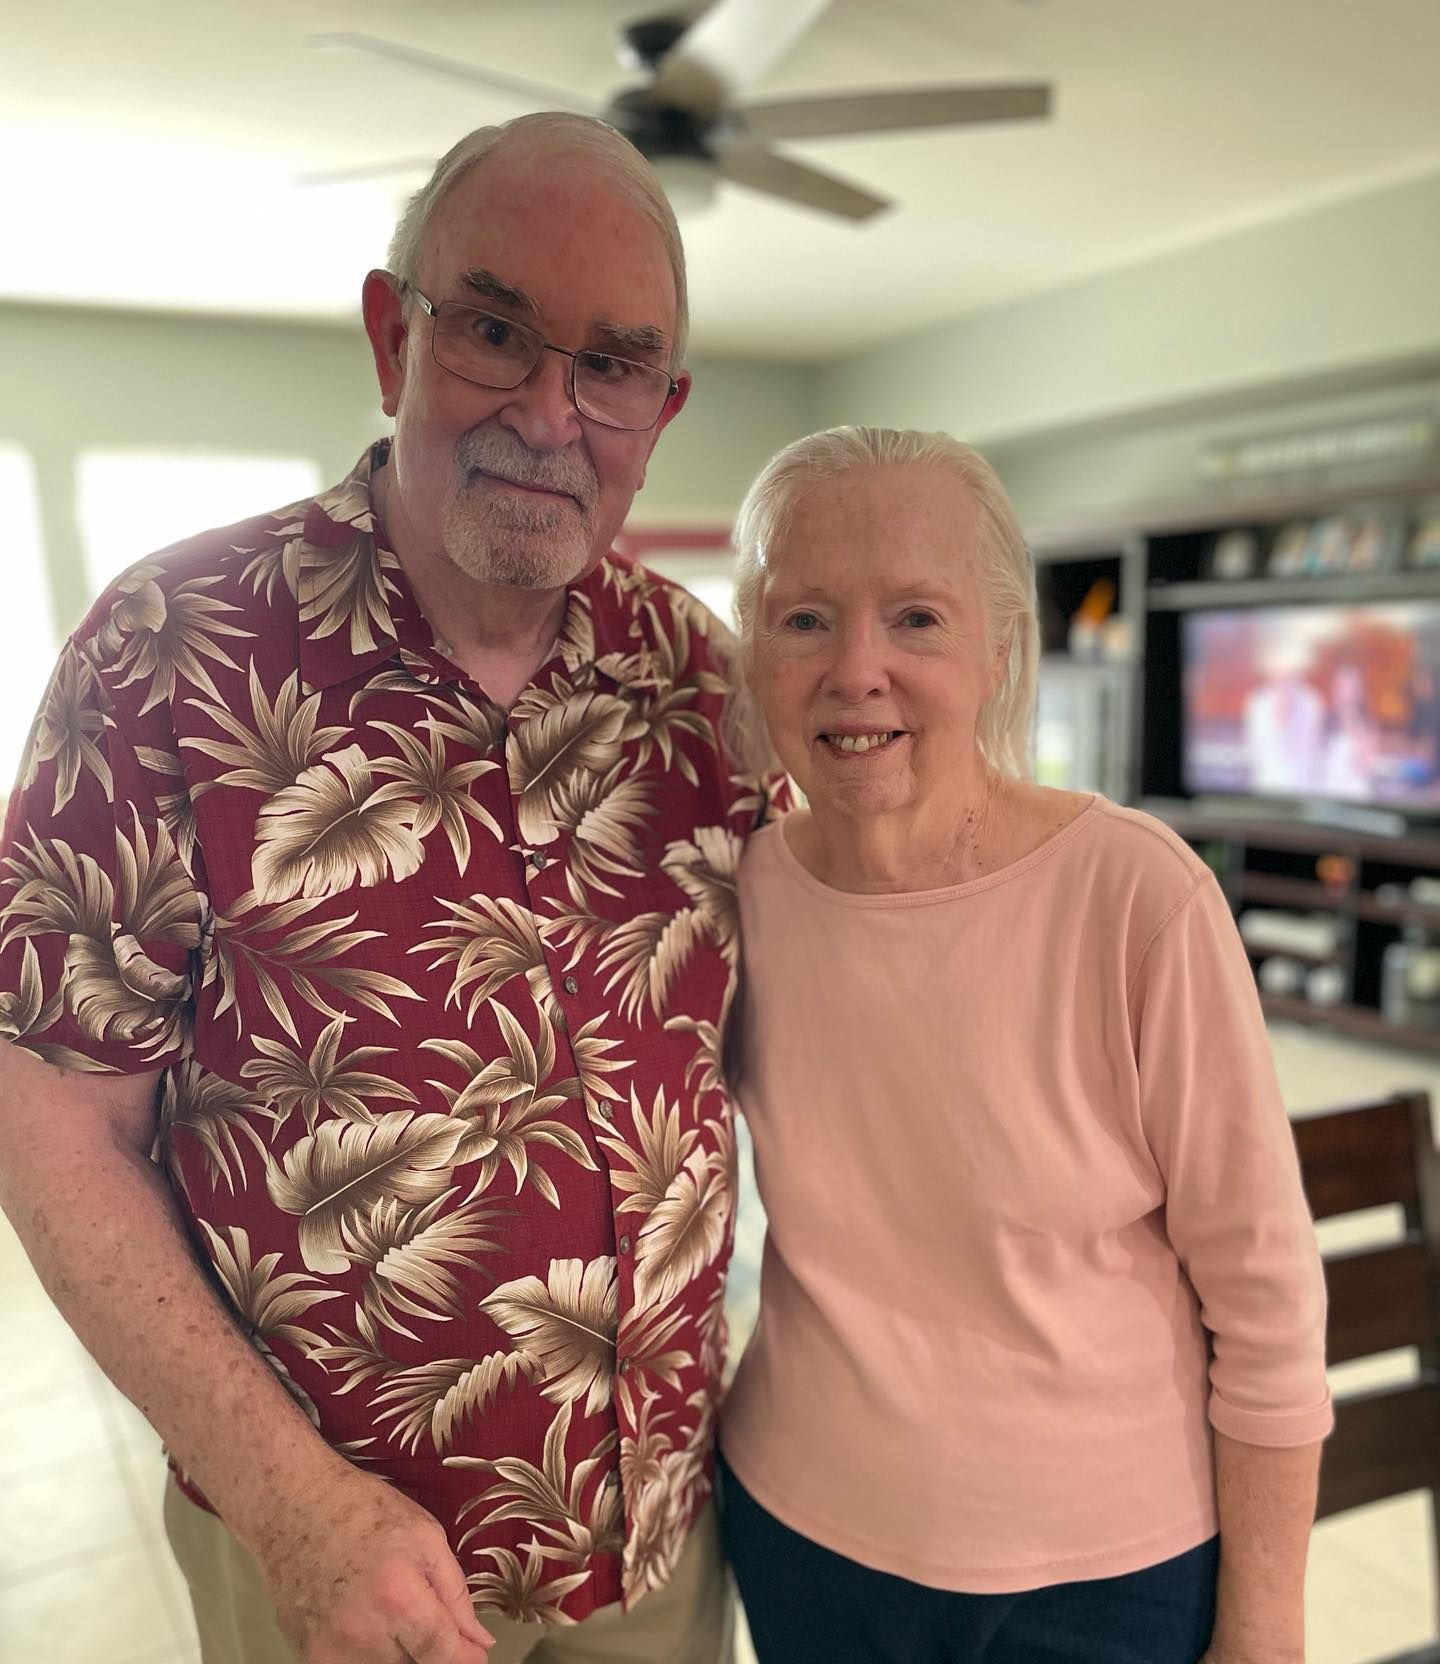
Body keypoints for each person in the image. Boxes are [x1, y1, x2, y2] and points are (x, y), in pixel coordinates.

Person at [0, 112, 772, 1664]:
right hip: (341, 1570)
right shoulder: (175, 647)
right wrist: (290, 1504)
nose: (553, 411)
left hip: (663, 1535)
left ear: (662, 406)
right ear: (389, 334)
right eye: (496, 330)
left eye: (614, 364)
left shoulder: (699, 676)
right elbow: (49, 1111)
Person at [716, 426, 1332, 1664]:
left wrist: (1264, 1628)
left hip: (1106, 1579)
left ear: (999, 645)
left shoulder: (1138, 897)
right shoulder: (737, 895)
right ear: (752, 648)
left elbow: (1266, 1297)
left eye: (918, 618)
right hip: (801, 1534)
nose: (857, 669)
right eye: (803, 619)